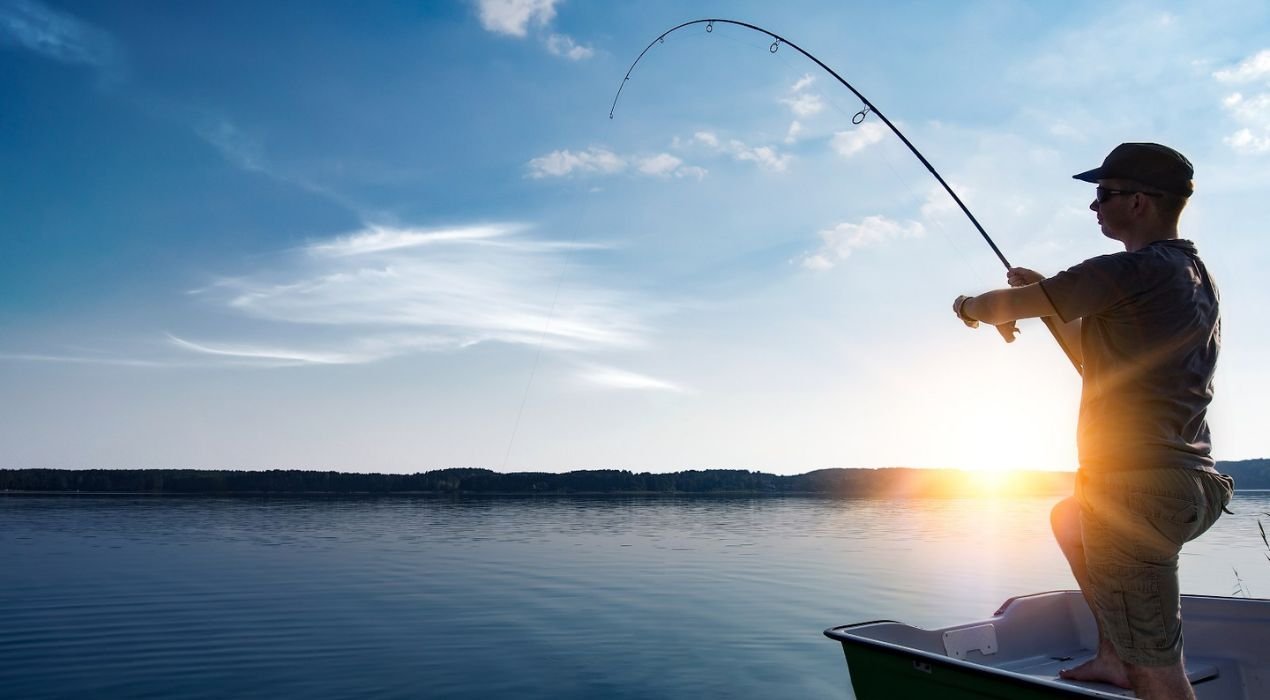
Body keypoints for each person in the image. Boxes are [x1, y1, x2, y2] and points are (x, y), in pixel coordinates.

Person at [950, 142, 1234, 700]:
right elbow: (1094, 361)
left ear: (1139, 202)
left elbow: (997, 306)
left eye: (1103, 194)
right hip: (1194, 486)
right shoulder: (1192, 276)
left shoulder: (1128, 269)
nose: (1094, 207)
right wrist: (1049, 301)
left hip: (1135, 492)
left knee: (1162, 677)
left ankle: (1137, 665)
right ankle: (1112, 655)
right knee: (1071, 518)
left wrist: (969, 306)